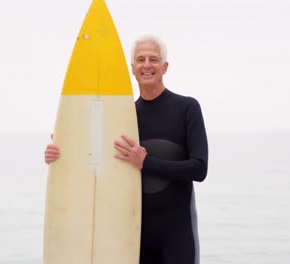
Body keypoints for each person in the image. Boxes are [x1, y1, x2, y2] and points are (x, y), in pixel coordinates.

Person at [44, 35, 208, 264]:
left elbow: (199, 169)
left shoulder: (186, 108)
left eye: (153, 59)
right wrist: (62, 152)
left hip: (178, 235)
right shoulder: (124, 117)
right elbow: (96, 159)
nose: (147, 65)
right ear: (132, 68)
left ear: (165, 66)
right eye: (141, 60)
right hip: (134, 237)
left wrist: (146, 162)